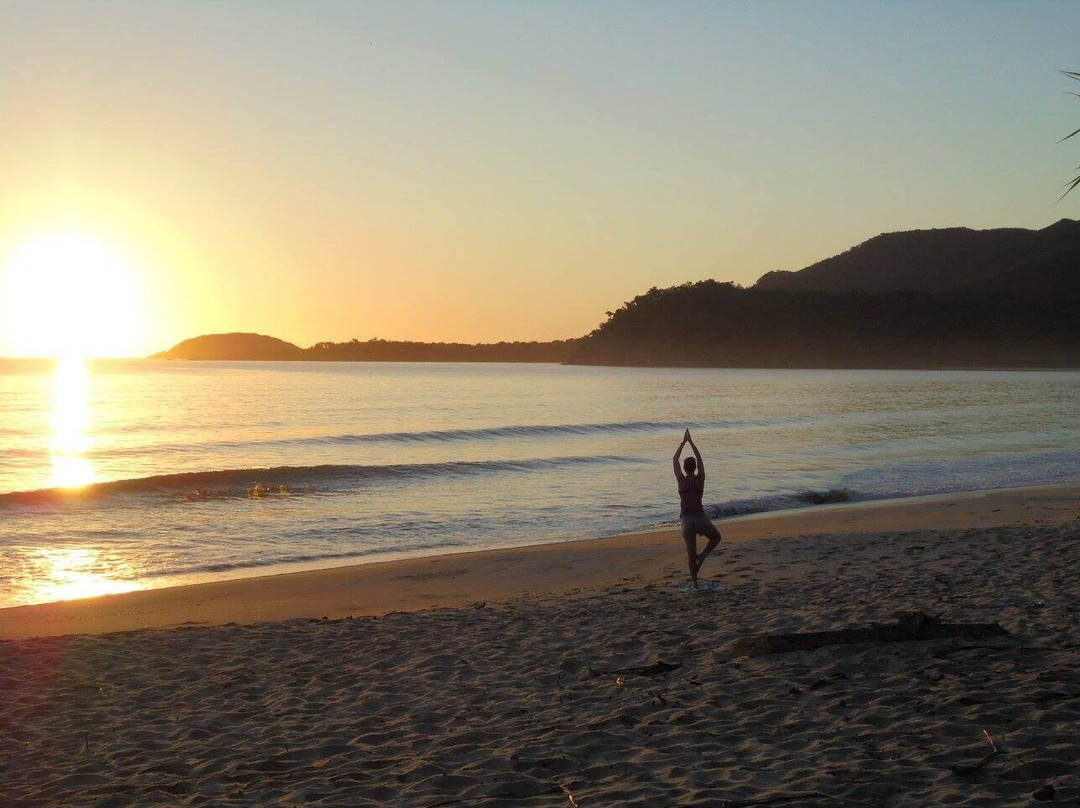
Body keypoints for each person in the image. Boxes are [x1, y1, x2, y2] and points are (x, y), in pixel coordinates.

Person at [673, 428, 722, 589]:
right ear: (694, 467)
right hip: (700, 518)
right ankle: (702, 557)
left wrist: (683, 442)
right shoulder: (700, 479)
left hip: (687, 520)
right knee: (715, 537)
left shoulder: (681, 480)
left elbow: (674, 459)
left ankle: (695, 584)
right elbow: (700, 458)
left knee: (690, 556)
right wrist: (691, 442)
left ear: (685, 468)